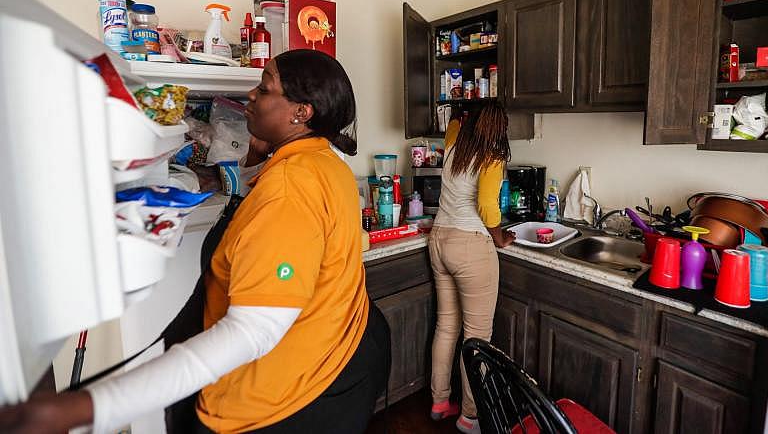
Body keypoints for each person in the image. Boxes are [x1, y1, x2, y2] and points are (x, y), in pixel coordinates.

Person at [0, 49, 390, 434]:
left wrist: (87, 406)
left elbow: (253, 331)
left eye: (265, 88)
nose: (251, 95)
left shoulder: (288, 190)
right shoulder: (329, 162)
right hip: (340, 353)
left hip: (284, 397)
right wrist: (256, 159)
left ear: (300, 112)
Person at [427, 101, 515, 434]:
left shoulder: (453, 139)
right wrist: (500, 237)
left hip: (439, 239)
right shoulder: (492, 157)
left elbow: (453, 116)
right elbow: (487, 206)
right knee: (477, 336)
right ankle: (470, 415)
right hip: (469, 245)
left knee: (446, 326)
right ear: (497, 127)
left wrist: (463, 111)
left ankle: (438, 402)